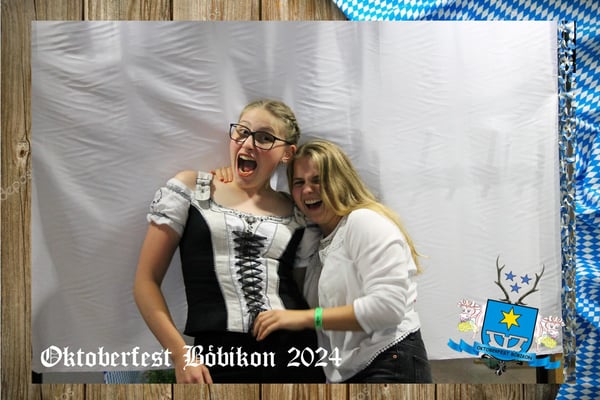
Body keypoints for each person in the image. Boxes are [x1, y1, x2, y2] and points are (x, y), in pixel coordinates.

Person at [133, 99, 325, 384]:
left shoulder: (297, 213)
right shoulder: (192, 189)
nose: (248, 143)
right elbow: (145, 281)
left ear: (287, 153)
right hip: (218, 359)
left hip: (296, 358)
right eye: (242, 132)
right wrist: (180, 355)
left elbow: (301, 289)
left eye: (264, 138)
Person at [251, 139, 433, 383]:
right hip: (352, 371)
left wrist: (306, 318)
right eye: (299, 183)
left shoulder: (362, 221)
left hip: (389, 360)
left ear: (340, 180)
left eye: (317, 180)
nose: (307, 190)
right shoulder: (317, 244)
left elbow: (388, 308)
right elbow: (298, 297)